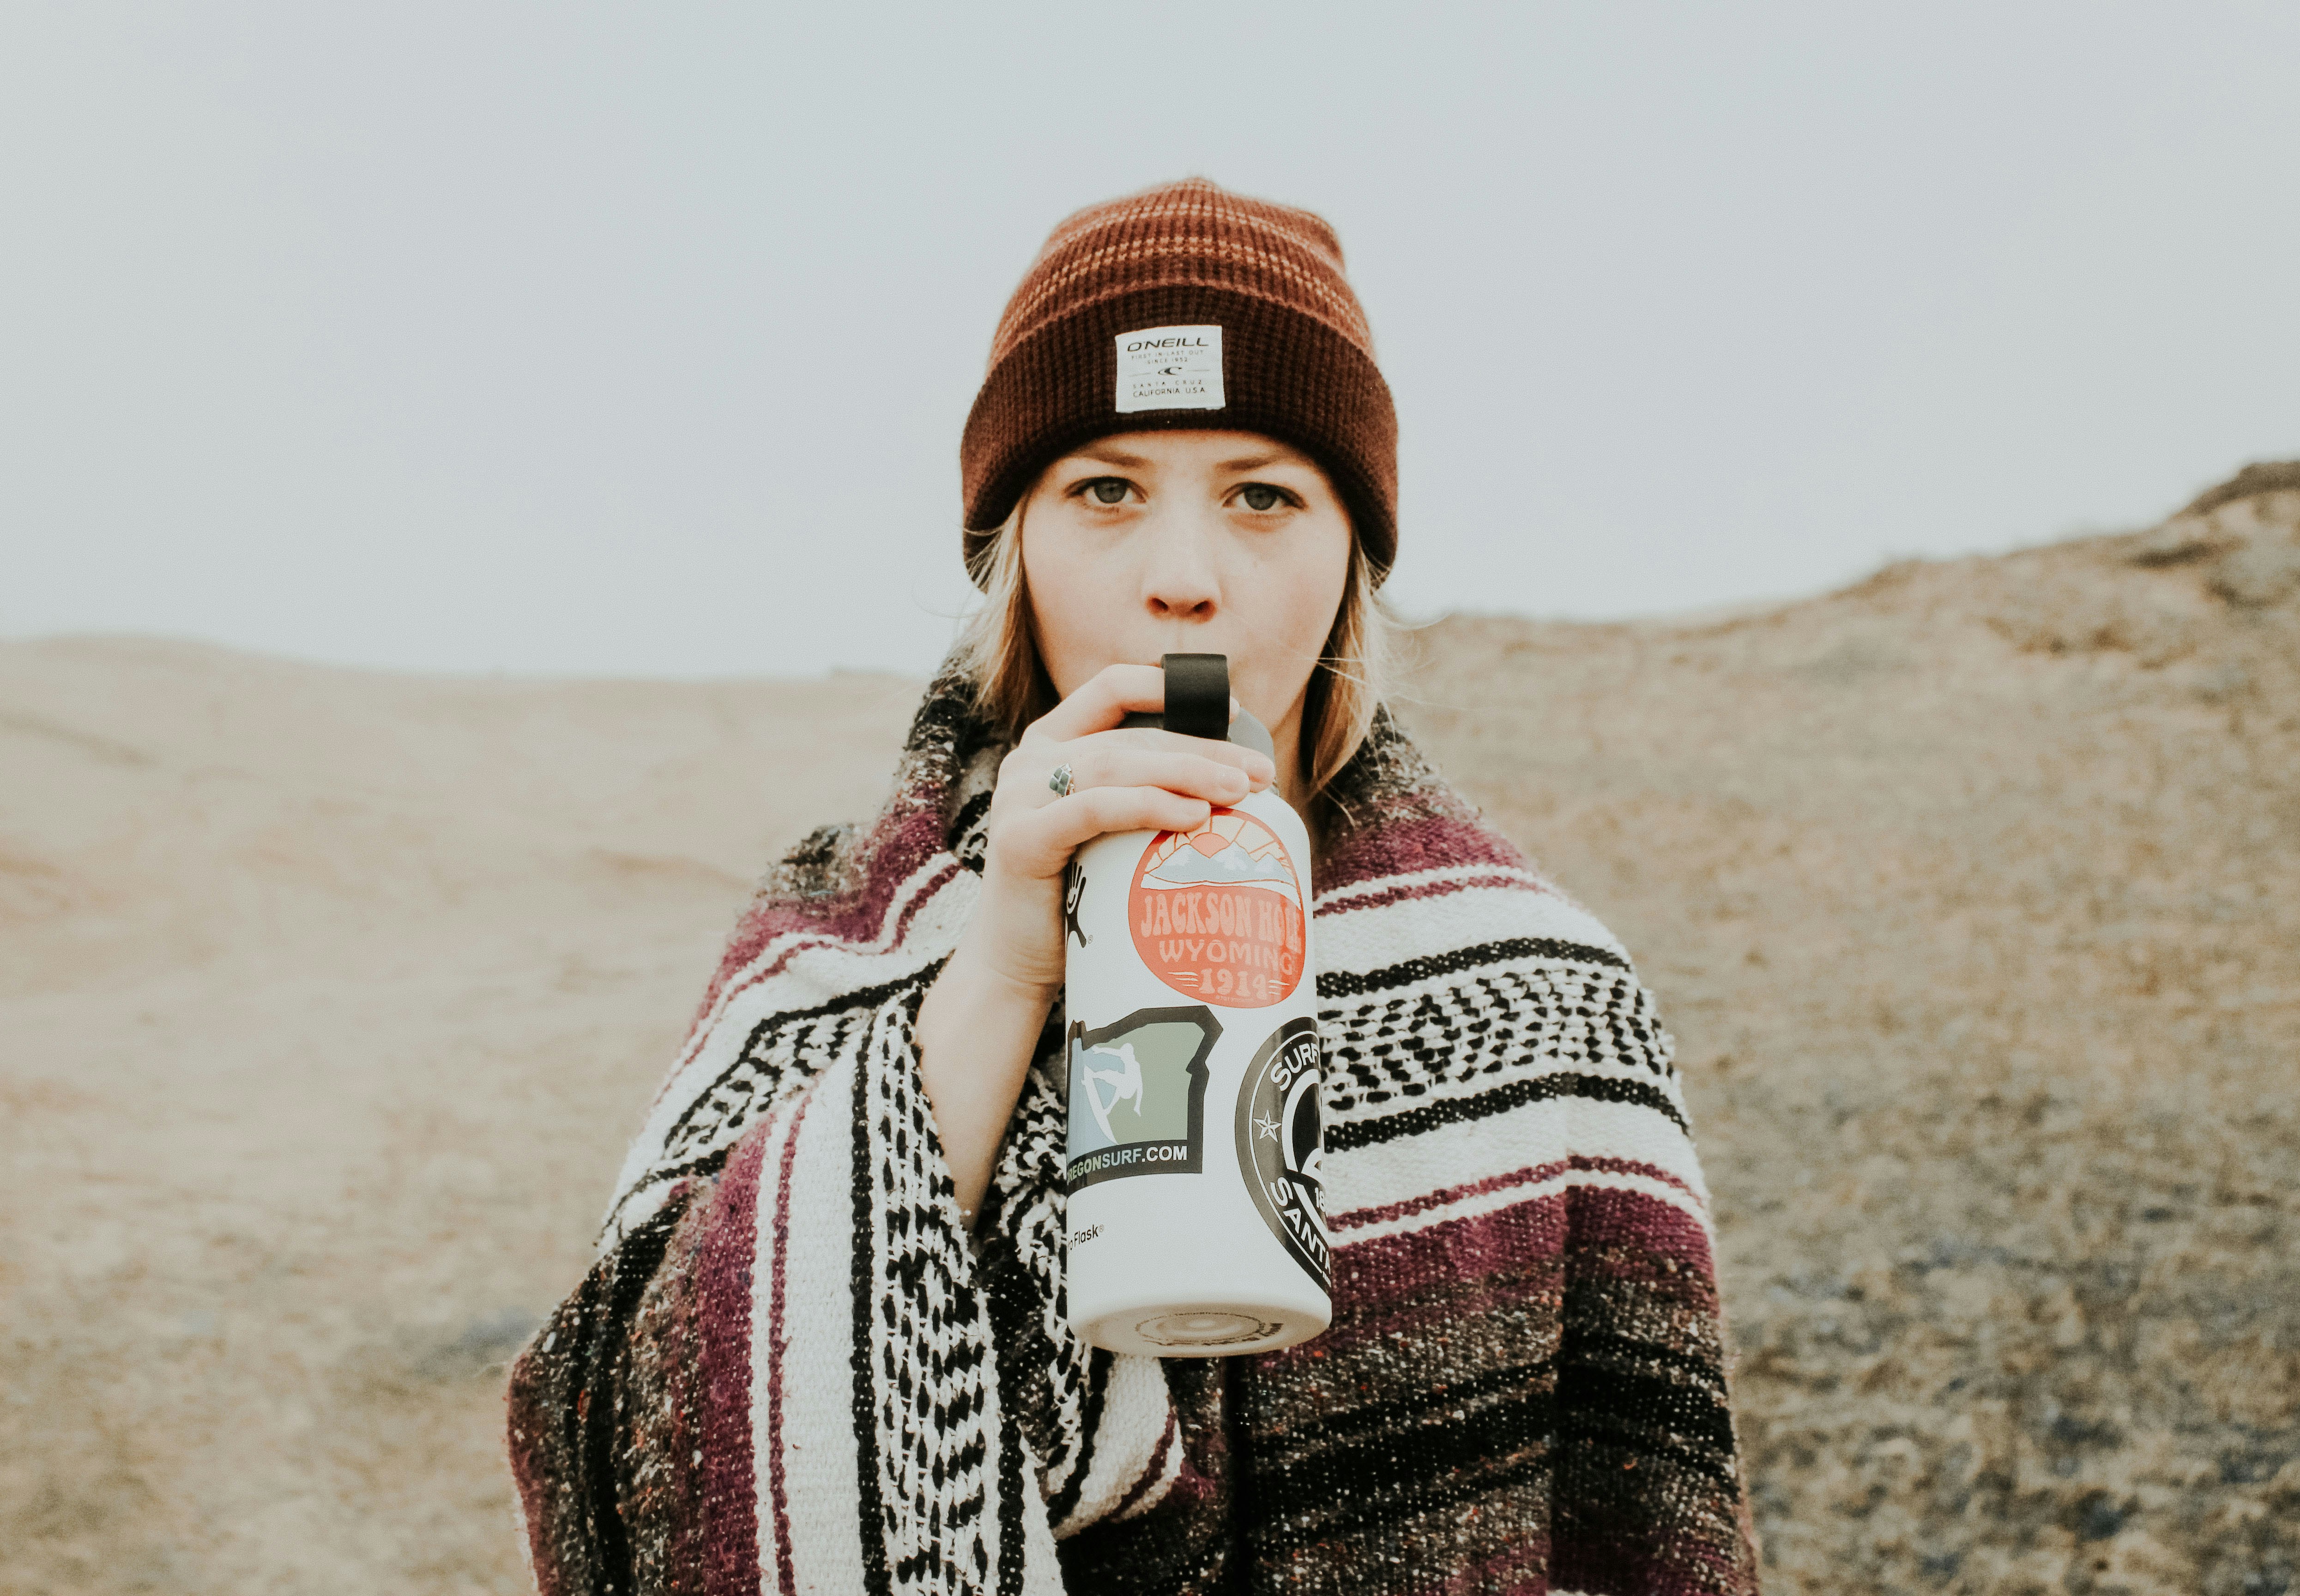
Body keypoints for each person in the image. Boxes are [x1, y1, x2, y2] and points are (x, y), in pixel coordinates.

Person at [508, 176, 1759, 1596]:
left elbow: (1650, 1539)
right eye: (1105, 490)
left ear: (1352, 556)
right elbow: (631, 1448)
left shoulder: (1541, 990)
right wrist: (1001, 974)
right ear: (1013, 550)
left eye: (1264, 497)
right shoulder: (831, 932)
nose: (1183, 579)